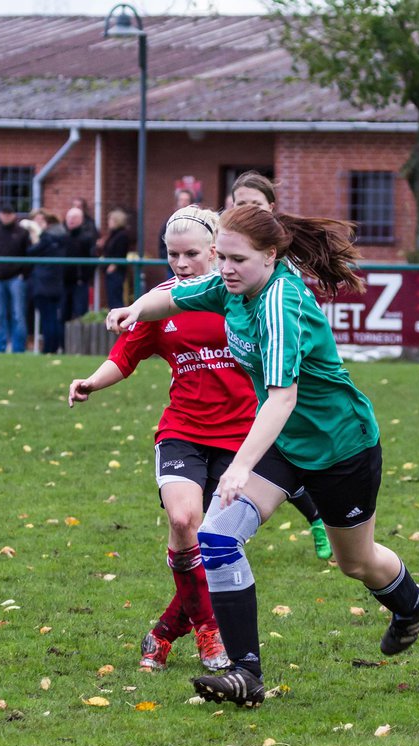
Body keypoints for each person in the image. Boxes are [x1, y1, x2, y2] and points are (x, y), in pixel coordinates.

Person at [109, 204, 419, 707]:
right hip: (281, 444)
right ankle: (246, 673)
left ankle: (411, 603)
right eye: (223, 259)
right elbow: (175, 299)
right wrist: (134, 311)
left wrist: (238, 465)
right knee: (217, 535)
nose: (226, 269)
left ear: (270, 255)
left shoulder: (281, 301)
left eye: (237, 259)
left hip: (339, 448)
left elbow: (283, 396)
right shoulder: (230, 286)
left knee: (357, 562)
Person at [69, 205, 239, 673]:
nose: (181, 264)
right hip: (183, 429)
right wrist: (91, 382)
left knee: (220, 546)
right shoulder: (160, 301)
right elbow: (124, 356)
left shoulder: (242, 295)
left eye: (191, 254)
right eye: (172, 255)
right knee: (184, 521)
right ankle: (209, 635)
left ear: (215, 250)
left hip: (244, 438)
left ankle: (164, 632)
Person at [229, 170, 333, 560]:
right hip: (238, 364)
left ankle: (320, 516)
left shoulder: (280, 279)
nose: (245, 211)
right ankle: (221, 528)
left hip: (273, 372)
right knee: (257, 454)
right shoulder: (224, 256)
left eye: (254, 206)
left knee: (267, 447)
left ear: (270, 210)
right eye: (239, 204)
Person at [0, 203, 32, 353]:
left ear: (13, 215)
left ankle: (18, 349)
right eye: (3, 214)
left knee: (18, 315)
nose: (6, 217)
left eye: (8, 214)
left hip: (16, 279)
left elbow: (29, 255)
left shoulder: (22, 233)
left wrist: (23, 274)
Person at [27, 210, 68, 354]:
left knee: (48, 319)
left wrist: (36, 233)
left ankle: (49, 349)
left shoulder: (47, 238)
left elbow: (31, 251)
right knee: (53, 317)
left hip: (44, 284)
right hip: (55, 283)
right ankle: (54, 347)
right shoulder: (61, 236)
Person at [63, 207, 96, 322]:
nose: (71, 220)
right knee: (63, 314)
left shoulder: (87, 237)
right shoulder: (62, 237)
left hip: (80, 282)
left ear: (81, 219)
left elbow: (92, 259)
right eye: (69, 217)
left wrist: (84, 276)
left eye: (74, 217)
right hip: (63, 282)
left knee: (80, 313)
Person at [99, 208, 131, 309]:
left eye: (111, 220)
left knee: (115, 296)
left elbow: (120, 252)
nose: (109, 222)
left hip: (116, 271)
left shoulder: (122, 235)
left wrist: (114, 265)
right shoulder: (113, 234)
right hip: (109, 269)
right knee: (111, 296)